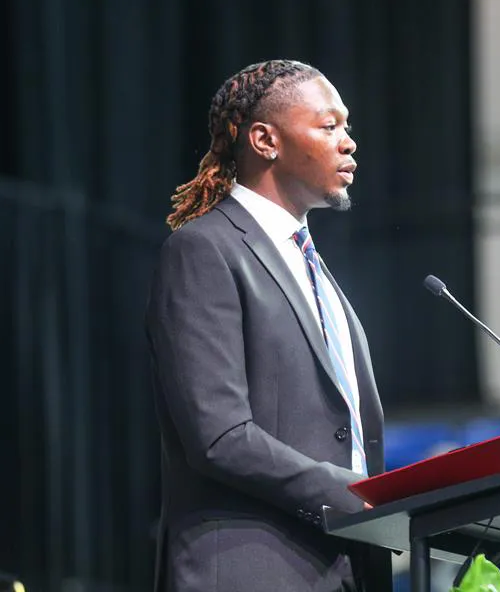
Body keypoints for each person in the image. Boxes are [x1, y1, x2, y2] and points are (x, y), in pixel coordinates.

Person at [145, 60, 391, 592]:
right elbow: (220, 437)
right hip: (250, 570)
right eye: (329, 127)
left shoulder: (314, 269)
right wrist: (365, 496)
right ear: (265, 139)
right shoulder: (204, 250)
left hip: (348, 567)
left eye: (346, 127)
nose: (348, 142)